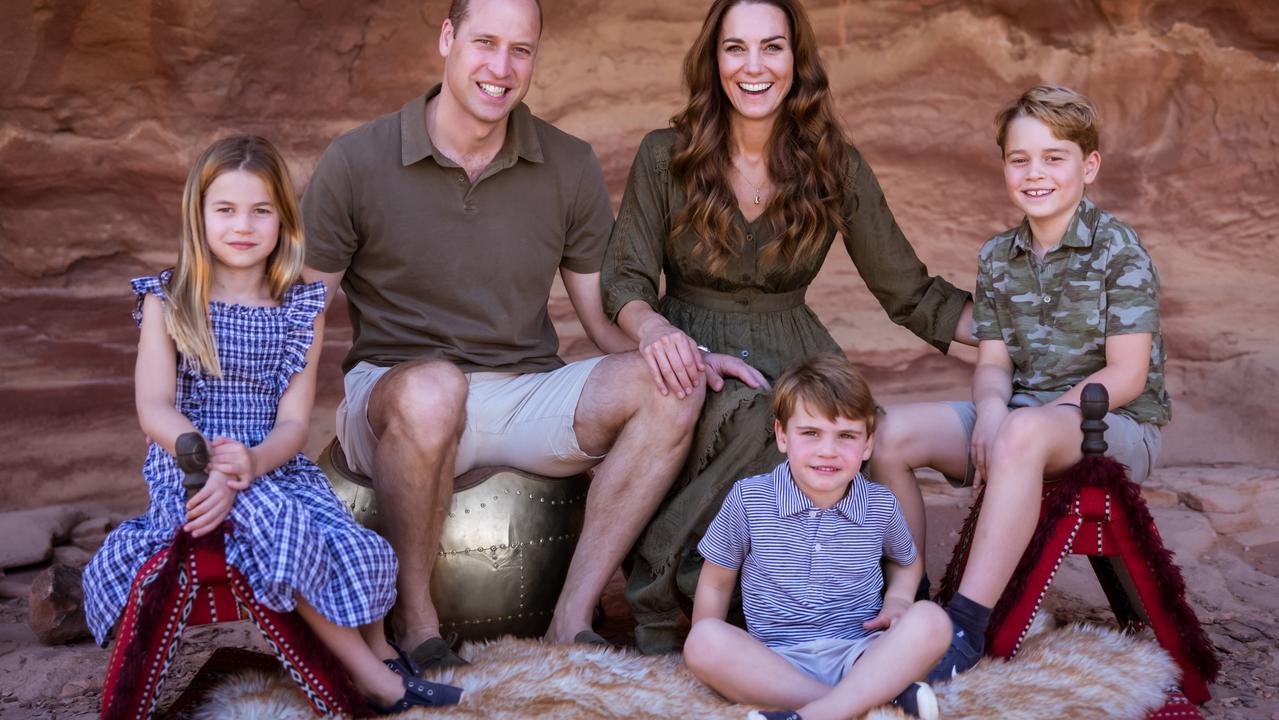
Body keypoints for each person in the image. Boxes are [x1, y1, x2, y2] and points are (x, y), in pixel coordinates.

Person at [301, 0, 723, 667]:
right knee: (434, 390)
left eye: (520, 50)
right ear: (447, 39)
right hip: (393, 397)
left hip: (521, 393)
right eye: (485, 43)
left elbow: (602, 315)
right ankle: (416, 623)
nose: (501, 68)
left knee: (672, 388)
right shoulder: (357, 160)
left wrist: (672, 349)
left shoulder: (566, 163)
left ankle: (571, 616)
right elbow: (299, 310)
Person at [601, 0, 974, 652]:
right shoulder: (665, 156)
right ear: (712, 60)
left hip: (796, 348)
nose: (753, 66)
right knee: (759, 417)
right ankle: (672, 596)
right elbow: (624, 281)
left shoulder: (834, 164)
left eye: (772, 47)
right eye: (734, 48)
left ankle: (865, 617)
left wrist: (1029, 338)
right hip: (693, 352)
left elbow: (909, 293)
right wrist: (656, 332)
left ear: (796, 61)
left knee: (835, 430)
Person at [81, 135, 461, 713]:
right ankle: (375, 682)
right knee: (272, 518)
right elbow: (154, 407)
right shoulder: (169, 301)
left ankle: (382, 652)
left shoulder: (299, 308)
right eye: (226, 210)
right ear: (198, 215)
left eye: (261, 211)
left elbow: (291, 422)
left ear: (283, 219)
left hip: (274, 466)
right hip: (188, 468)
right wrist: (203, 457)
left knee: (354, 540)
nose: (243, 225)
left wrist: (255, 462)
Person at [867, 85, 1170, 682]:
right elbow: (994, 364)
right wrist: (991, 411)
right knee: (889, 435)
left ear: (1089, 166)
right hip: (1024, 420)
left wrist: (1019, 425)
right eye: (1019, 159)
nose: (1035, 173)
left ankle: (966, 626)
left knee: (1024, 432)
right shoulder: (998, 257)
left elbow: (1127, 376)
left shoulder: (1119, 252)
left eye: (1054, 158)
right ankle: (910, 594)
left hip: (1110, 426)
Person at [684, 354, 949, 720]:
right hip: (774, 661)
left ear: (868, 445)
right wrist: (712, 653)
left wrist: (900, 600)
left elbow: (906, 561)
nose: (828, 450)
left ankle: (812, 714)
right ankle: (862, 706)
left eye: (846, 436)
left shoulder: (879, 505)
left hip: (861, 653)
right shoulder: (750, 499)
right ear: (782, 436)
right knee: (702, 641)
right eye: (810, 433)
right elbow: (716, 581)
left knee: (932, 621)